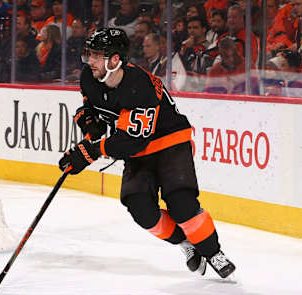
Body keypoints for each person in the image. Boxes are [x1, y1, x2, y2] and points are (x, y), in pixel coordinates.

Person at [58, 28, 236, 279]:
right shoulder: (89, 77)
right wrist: (89, 122)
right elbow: (94, 107)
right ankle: (185, 244)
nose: (91, 61)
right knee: (140, 208)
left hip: (170, 142)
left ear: (116, 60)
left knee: (181, 204)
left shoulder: (140, 86)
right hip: (138, 149)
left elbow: (134, 141)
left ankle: (213, 252)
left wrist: (91, 152)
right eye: (90, 54)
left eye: (98, 55)